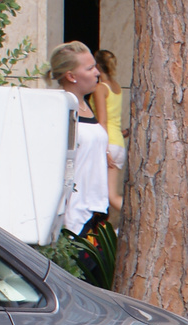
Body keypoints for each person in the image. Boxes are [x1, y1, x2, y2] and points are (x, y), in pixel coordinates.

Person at [47, 42, 111, 238]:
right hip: (72, 218)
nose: (97, 73)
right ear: (71, 76)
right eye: (90, 68)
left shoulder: (84, 104)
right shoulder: (58, 108)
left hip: (95, 209)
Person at [92, 49, 127, 215]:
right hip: (119, 143)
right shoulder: (116, 87)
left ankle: (139, 217)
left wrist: (105, 149)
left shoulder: (100, 88)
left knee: (108, 196)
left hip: (108, 145)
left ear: (98, 66)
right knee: (111, 195)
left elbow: (103, 121)